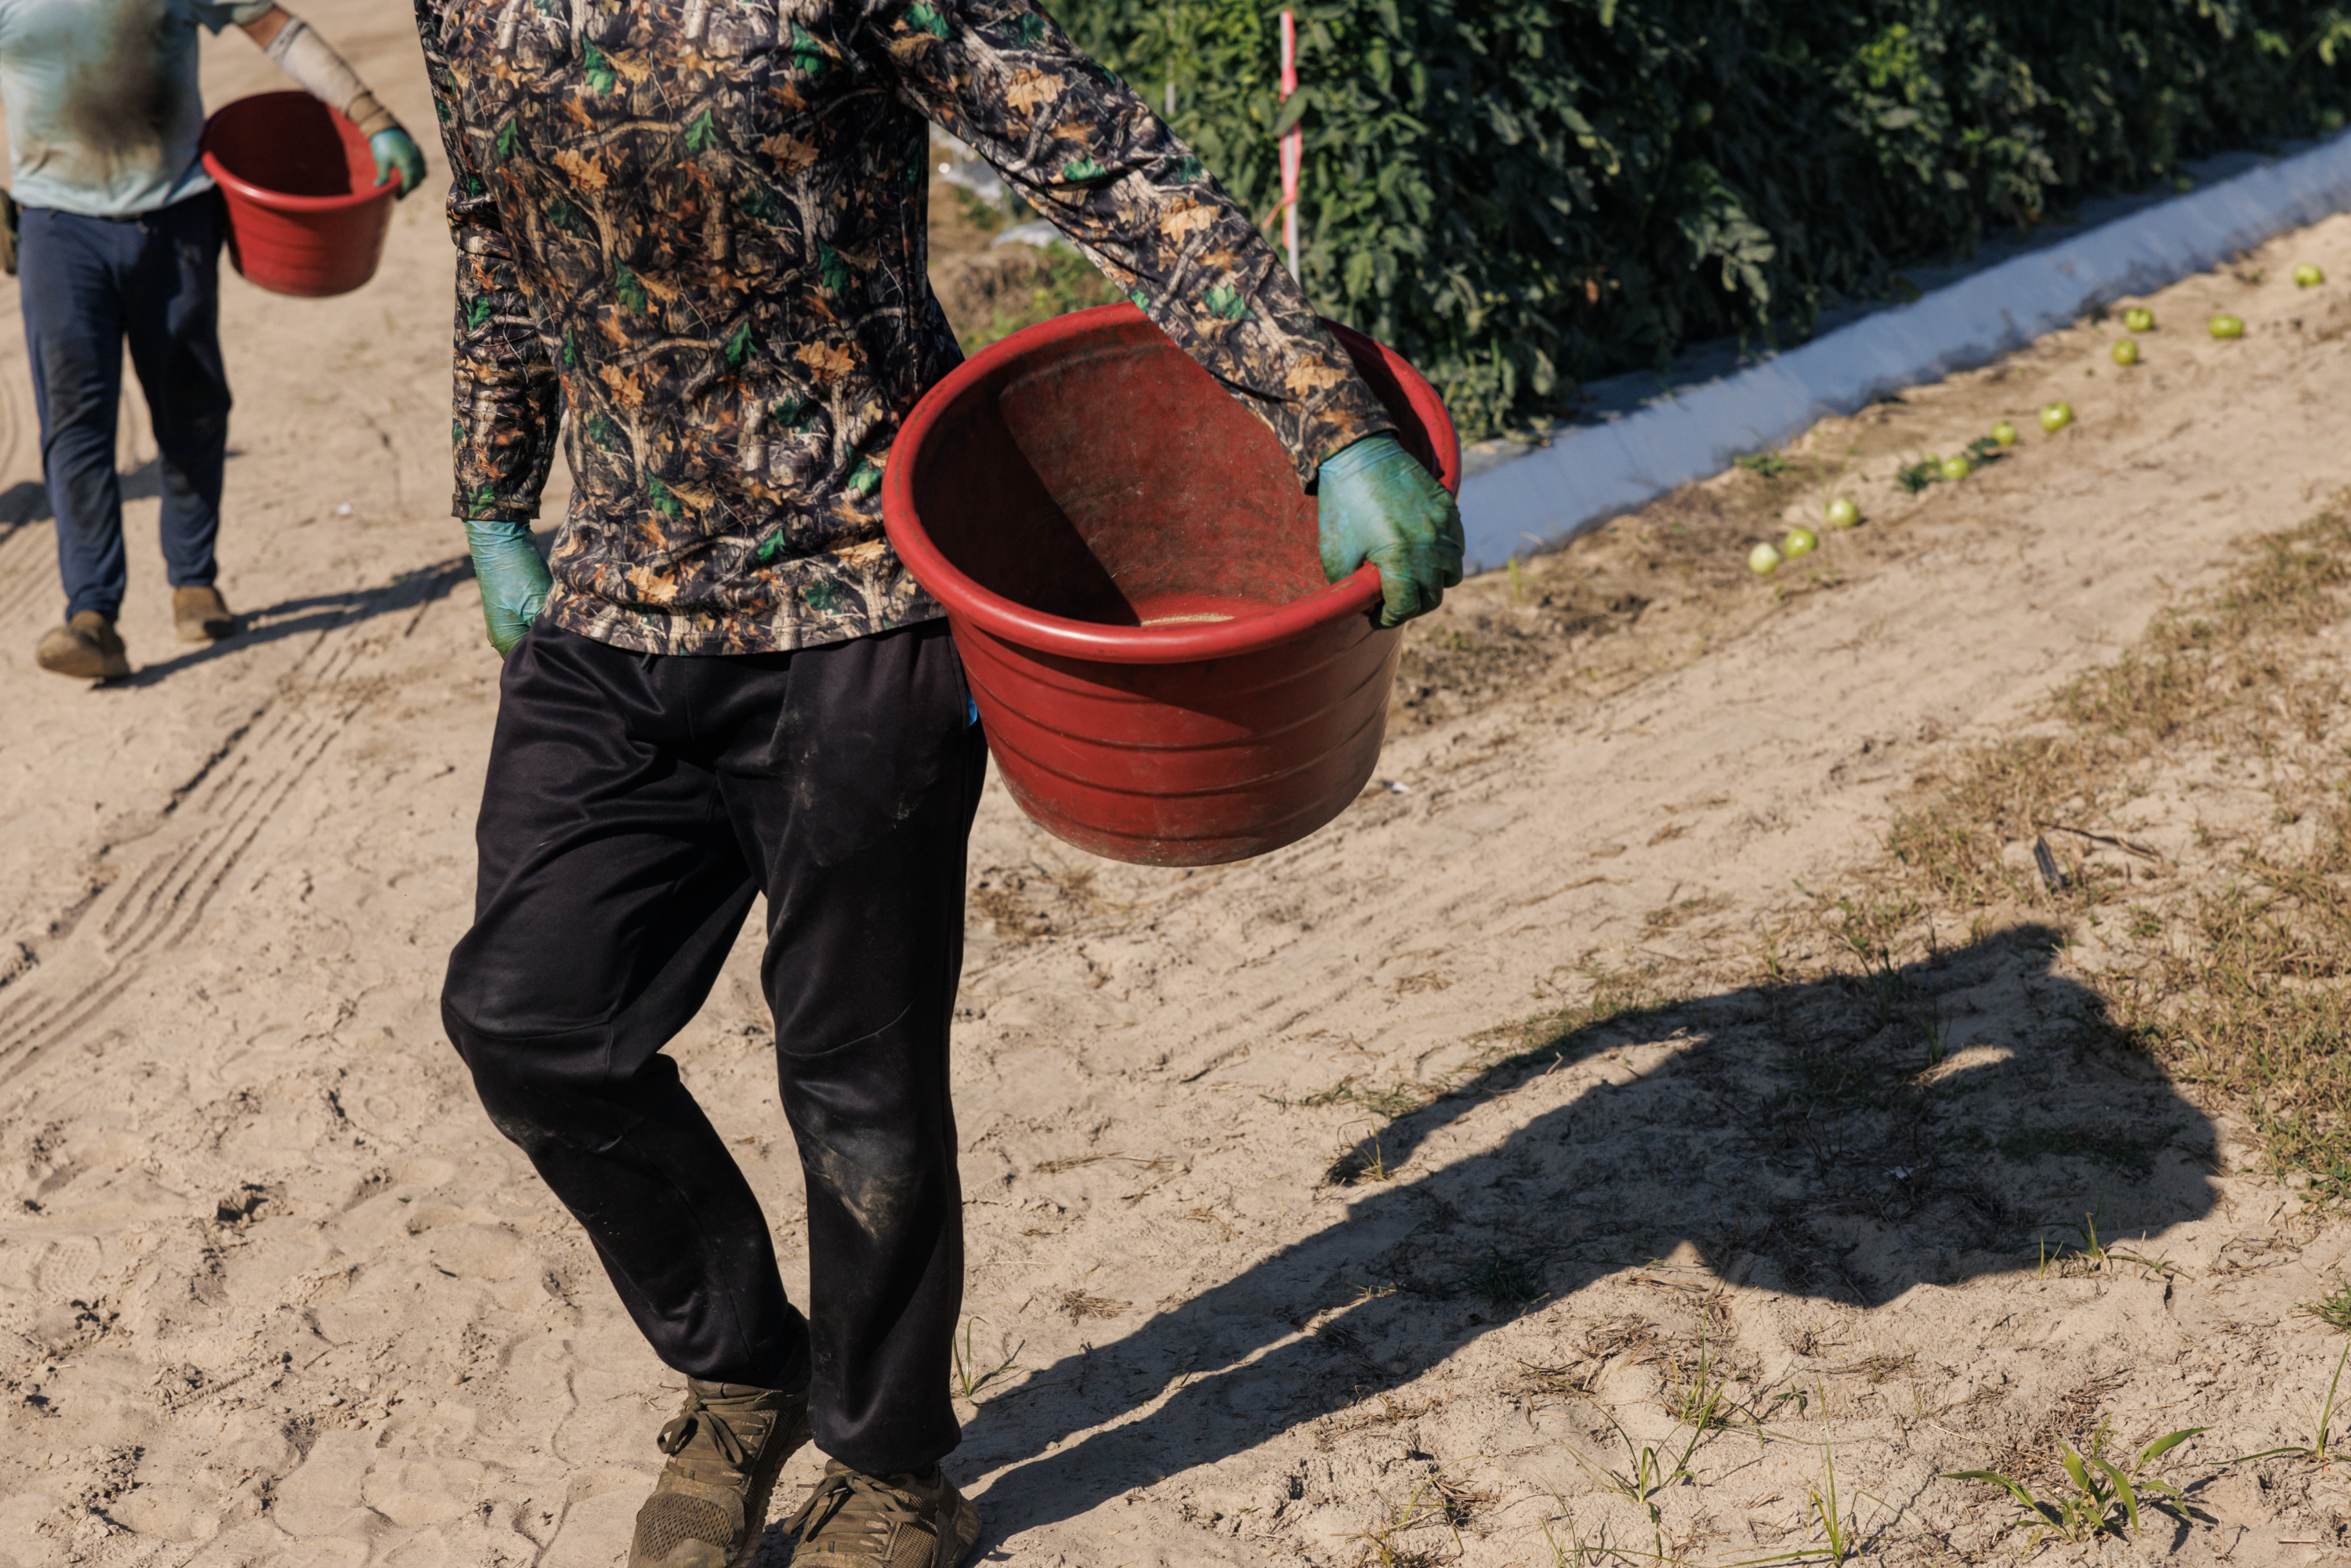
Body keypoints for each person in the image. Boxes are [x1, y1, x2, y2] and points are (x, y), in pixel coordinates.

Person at [415, 2, 1462, 1564]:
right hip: (618, 596)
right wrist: (497, 492)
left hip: (862, 599)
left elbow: (1098, 155)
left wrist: (1329, 417)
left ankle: (890, 1460)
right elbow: (499, 223)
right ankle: (744, 1369)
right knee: (530, 1022)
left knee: (859, 1084)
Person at [2, 0, 426, 679]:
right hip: (59, 228)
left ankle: (194, 580)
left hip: (175, 217)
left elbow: (278, 32)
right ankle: (92, 616)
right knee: (76, 421)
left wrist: (372, 118)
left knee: (191, 401)